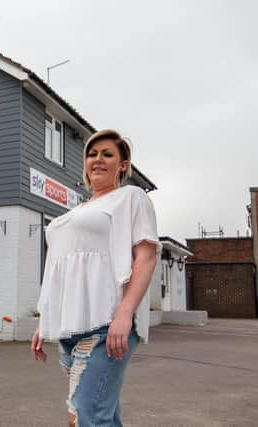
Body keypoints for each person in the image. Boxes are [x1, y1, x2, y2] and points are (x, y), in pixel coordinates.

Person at [31, 129, 161, 427]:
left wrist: (125, 314)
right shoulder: (76, 211)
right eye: (92, 154)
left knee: (86, 417)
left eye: (107, 154)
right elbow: (57, 266)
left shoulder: (131, 197)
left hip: (106, 326)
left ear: (123, 165)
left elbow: (146, 257)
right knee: (100, 414)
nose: (97, 159)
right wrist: (44, 320)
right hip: (69, 330)